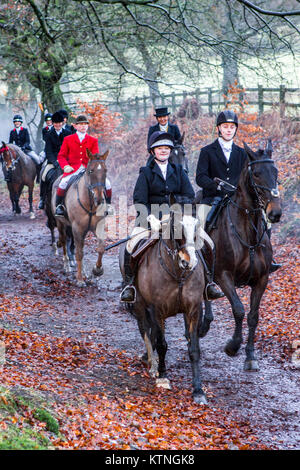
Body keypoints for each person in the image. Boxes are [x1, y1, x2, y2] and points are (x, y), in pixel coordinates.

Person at [120, 130, 223, 303]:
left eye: (166, 148)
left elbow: (189, 195)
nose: (163, 151)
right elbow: (139, 200)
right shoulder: (145, 173)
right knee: (131, 245)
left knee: (208, 242)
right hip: (151, 220)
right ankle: (130, 285)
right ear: (153, 152)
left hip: (178, 218)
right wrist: (150, 218)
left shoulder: (179, 171)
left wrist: (178, 212)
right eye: (159, 148)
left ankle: (209, 283)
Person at [196, 109, 281, 273]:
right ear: (219, 129)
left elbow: (249, 177)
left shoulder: (242, 153)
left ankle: (267, 258)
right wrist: (217, 186)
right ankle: (200, 259)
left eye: (231, 127)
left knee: (265, 219)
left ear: (235, 129)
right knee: (201, 222)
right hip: (213, 198)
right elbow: (200, 178)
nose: (228, 129)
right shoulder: (206, 151)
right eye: (225, 126)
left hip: (238, 198)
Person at [55, 114, 112, 216]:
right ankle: (59, 206)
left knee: (107, 183)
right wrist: (65, 166)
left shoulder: (93, 140)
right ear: (75, 126)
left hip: (89, 169)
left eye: (85, 124)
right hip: (73, 168)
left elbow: (95, 157)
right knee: (63, 183)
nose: (83, 126)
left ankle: (108, 206)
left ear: (87, 126)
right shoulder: (68, 139)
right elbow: (61, 156)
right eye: (80, 124)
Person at [38, 111, 71, 210]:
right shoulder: (49, 134)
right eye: (55, 123)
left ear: (62, 123)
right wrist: (55, 162)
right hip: (53, 161)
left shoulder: (68, 133)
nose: (57, 125)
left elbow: (70, 149)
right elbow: (48, 151)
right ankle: (42, 198)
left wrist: (66, 161)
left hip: (66, 161)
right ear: (53, 123)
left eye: (59, 123)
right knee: (43, 175)